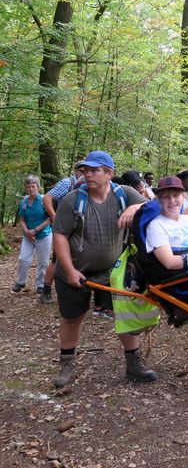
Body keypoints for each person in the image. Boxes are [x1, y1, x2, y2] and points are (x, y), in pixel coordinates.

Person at [52, 151, 151, 388]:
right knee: (73, 317)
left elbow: (151, 205)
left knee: (123, 312)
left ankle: (134, 363)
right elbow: (60, 236)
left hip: (112, 270)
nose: (88, 174)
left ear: (109, 173)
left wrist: (133, 209)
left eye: (94, 170)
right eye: (85, 170)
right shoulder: (72, 200)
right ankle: (66, 363)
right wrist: (69, 270)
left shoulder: (124, 194)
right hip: (74, 270)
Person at [40, 161, 86, 304]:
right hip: (65, 228)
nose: (85, 173)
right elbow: (47, 197)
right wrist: (54, 216)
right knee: (57, 258)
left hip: (78, 228)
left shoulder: (87, 186)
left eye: (87, 170)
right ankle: (46, 290)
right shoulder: (67, 183)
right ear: (76, 171)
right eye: (82, 170)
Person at [12, 175, 52, 296]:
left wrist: (36, 230)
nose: (31, 189)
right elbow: (22, 219)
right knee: (24, 259)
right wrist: (27, 232)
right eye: (28, 186)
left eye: (33, 186)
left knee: (43, 262)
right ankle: (21, 282)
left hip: (44, 235)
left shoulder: (45, 199)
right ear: (25, 188)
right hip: (28, 236)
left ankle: (40, 284)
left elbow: (51, 218)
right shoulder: (23, 202)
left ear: (38, 187)